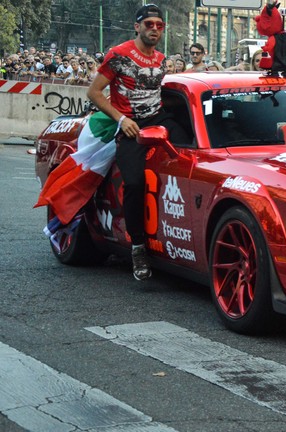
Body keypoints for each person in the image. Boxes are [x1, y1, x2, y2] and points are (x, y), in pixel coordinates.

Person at [87, 3, 189, 281]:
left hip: (158, 118)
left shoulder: (161, 58)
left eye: (159, 25)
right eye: (149, 24)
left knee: (192, 153)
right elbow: (94, 93)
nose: (154, 29)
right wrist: (121, 120)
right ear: (137, 26)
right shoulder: (118, 55)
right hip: (129, 125)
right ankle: (138, 248)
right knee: (133, 183)